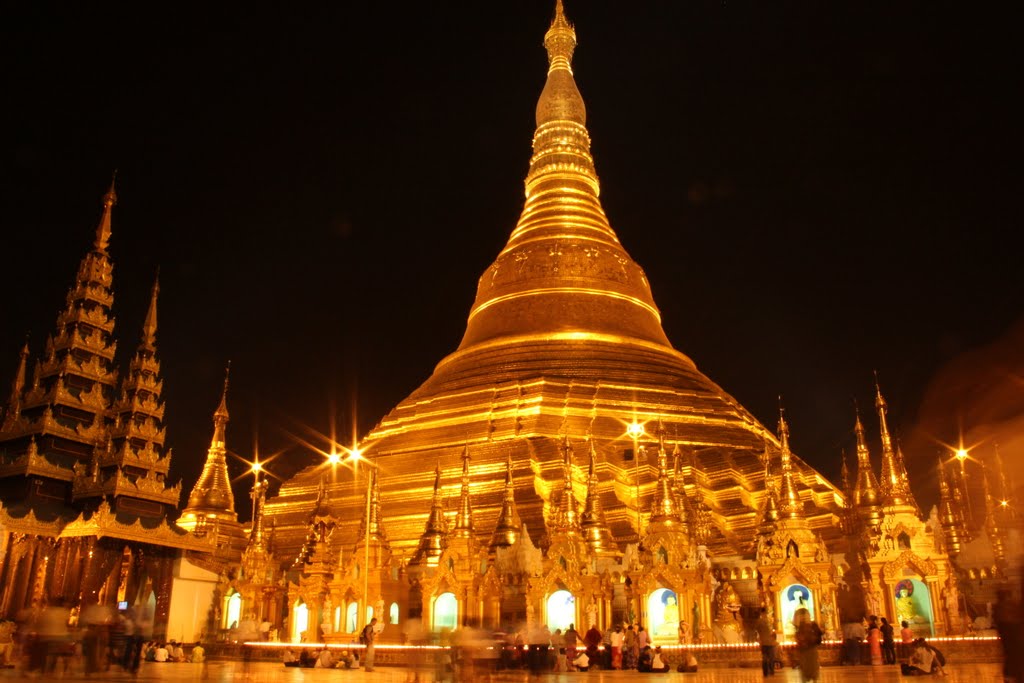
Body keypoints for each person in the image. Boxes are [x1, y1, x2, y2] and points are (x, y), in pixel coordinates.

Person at [793, 607, 822, 683]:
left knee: (813, 667)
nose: (803, 618)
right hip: (804, 650)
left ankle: (814, 679)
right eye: (801, 616)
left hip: (811, 649)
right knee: (805, 668)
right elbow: (798, 638)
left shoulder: (812, 625)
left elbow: (818, 635)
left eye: (804, 616)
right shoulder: (799, 628)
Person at [755, 608, 777, 677]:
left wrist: (759, 639)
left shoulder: (759, 621)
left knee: (765, 657)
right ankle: (771, 671)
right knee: (771, 657)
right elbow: (772, 632)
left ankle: (765, 672)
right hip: (769, 642)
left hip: (763, 642)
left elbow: (757, 631)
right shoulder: (769, 621)